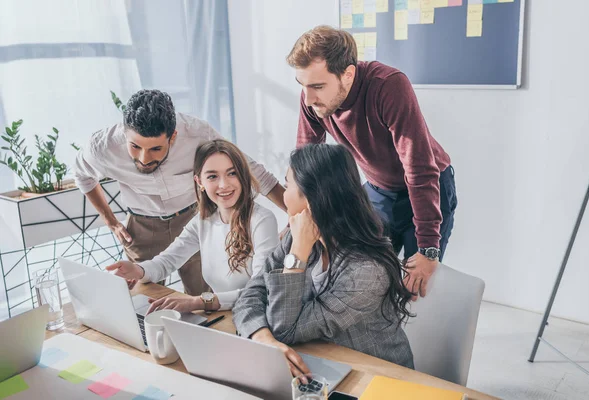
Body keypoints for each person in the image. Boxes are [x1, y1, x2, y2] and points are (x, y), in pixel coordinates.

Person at [287, 26, 458, 299]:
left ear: (348, 74)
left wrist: (427, 250)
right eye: (303, 86)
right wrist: (295, 220)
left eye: (318, 86)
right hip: (378, 190)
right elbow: (306, 161)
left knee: (412, 289)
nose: (308, 99)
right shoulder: (312, 98)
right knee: (365, 279)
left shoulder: (388, 85)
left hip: (427, 185)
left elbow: (419, 169)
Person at [74, 89, 286, 295]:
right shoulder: (102, 147)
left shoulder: (198, 133)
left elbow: (250, 169)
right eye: (135, 147)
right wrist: (110, 221)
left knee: (202, 295)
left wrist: (298, 212)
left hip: (191, 216)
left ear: (172, 137)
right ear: (124, 132)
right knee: (143, 297)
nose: (144, 159)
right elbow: (82, 176)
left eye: (156, 149)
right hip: (141, 226)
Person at [232, 143, 414, 376]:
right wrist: (262, 337)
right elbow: (252, 292)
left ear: (311, 199)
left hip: (375, 378)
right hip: (322, 363)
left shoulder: (366, 271)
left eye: (287, 185)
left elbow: (284, 328)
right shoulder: (295, 236)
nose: (283, 195)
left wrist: (298, 253)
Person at [105, 139, 279, 313]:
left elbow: (260, 290)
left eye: (232, 173)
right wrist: (137, 270)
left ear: (243, 175)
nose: (224, 184)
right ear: (199, 181)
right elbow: (168, 260)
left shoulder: (262, 220)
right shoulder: (203, 221)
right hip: (224, 315)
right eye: (212, 176)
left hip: (256, 317)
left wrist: (200, 302)